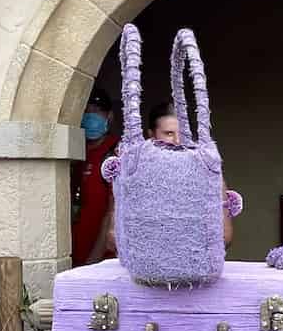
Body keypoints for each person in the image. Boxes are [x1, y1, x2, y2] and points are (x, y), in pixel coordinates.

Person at [102, 100, 238, 255]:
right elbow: (114, 237)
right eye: (168, 133)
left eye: (183, 134)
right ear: (151, 135)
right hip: (146, 266)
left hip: (194, 264)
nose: (177, 141)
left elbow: (224, 236)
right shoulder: (132, 171)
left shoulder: (207, 169)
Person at [70, 87, 120, 266]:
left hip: (100, 259)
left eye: (97, 111)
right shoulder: (73, 152)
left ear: (109, 116)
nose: (91, 116)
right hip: (72, 254)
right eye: (86, 111)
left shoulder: (115, 153)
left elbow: (112, 211)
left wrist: (93, 262)